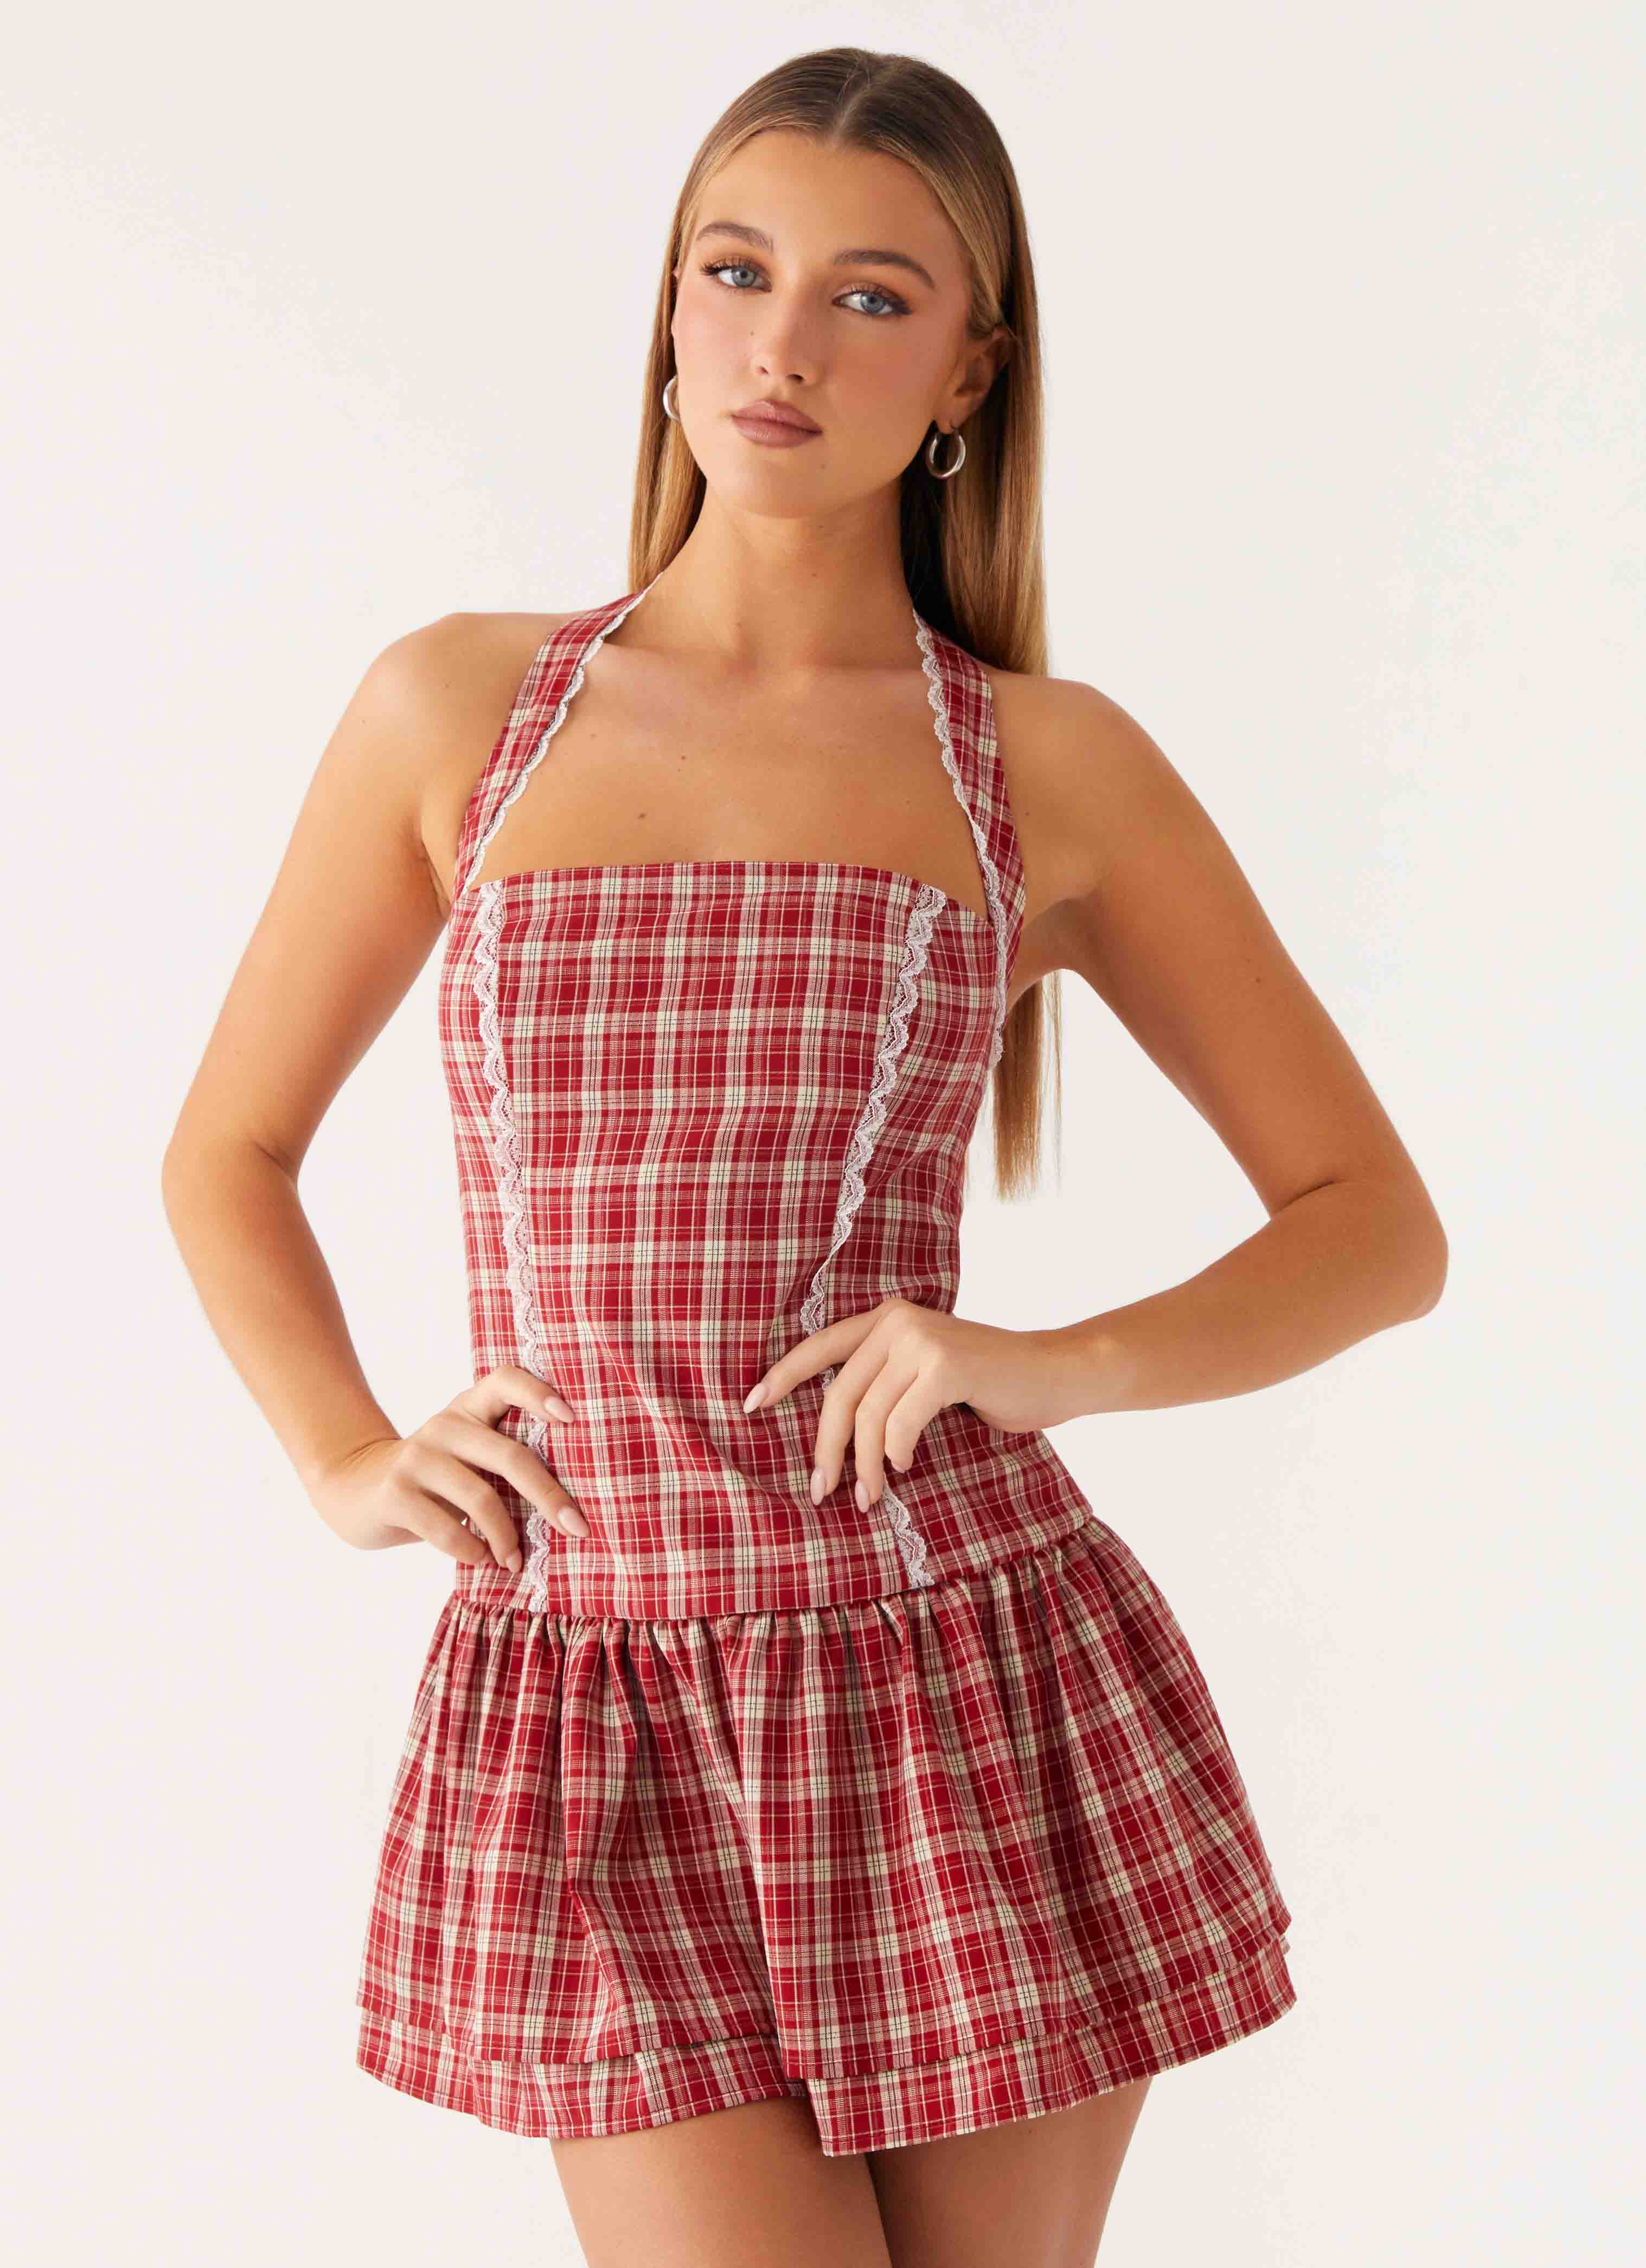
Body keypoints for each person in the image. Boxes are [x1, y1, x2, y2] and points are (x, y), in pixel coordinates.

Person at [161, 46, 1447, 2268]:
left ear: (968, 372)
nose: (783, 346)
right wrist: (345, 1453)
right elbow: (231, 1146)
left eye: (871, 297)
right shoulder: (455, 710)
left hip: (957, 1674)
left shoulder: (1046, 765)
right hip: (602, 1676)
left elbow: (1374, 1230)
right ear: (669, 311)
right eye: (735, 272)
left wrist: (1044, 1361)